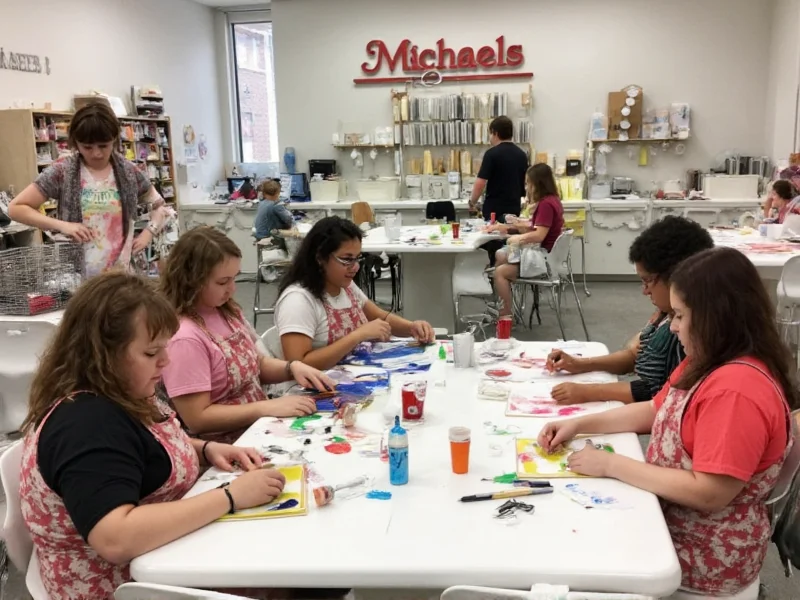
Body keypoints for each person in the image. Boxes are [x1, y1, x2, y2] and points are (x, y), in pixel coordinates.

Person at [539, 247, 796, 599]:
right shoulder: (707, 358)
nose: (672, 327)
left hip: (702, 560)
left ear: (715, 317)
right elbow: (656, 409)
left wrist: (612, 464)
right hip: (670, 525)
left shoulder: (737, 391)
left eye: (679, 315)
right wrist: (580, 424)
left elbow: (710, 491)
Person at [19, 272, 287, 600]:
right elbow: (115, 537)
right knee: (293, 577)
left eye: (165, 348)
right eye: (150, 353)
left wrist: (206, 449)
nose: (166, 361)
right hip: (125, 588)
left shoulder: (121, 391)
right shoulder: (85, 423)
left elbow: (146, 441)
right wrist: (229, 497)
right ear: (102, 354)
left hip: (162, 566)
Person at [160, 226, 334, 444]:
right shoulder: (184, 338)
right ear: (191, 280)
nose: (232, 289)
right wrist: (265, 408)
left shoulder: (225, 311)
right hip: (226, 446)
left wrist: (291, 368)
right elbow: (197, 418)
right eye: (223, 282)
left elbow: (253, 364)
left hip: (257, 428)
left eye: (235, 278)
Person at [547, 215, 713, 405]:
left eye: (648, 280)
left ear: (678, 276)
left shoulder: (686, 333)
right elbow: (635, 355)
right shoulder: (665, 315)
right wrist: (579, 364)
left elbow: (654, 392)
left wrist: (588, 391)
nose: (644, 290)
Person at [8, 102, 171, 278]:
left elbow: (161, 207)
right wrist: (63, 226)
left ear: (114, 139)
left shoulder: (128, 172)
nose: (96, 154)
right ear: (76, 143)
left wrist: (149, 232)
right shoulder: (63, 171)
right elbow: (16, 208)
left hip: (122, 277)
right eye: (87, 147)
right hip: (77, 279)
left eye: (103, 145)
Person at [274, 216, 435, 370]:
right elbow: (296, 365)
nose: (355, 267)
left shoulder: (345, 286)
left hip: (354, 375)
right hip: (315, 389)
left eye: (357, 258)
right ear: (319, 258)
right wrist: (358, 336)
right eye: (346, 259)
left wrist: (411, 327)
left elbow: (381, 317)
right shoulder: (298, 300)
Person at [487, 163, 564, 317]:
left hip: (543, 259)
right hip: (547, 255)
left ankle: (505, 315)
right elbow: (535, 227)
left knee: (500, 272)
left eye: (528, 183)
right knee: (501, 256)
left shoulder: (546, 205)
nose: (526, 187)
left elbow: (538, 235)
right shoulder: (552, 200)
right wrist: (509, 229)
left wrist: (516, 237)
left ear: (537, 183)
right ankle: (502, 300)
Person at [468, 115, 529, 265]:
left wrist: (472, 202)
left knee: (492, 245)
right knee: (510, 245)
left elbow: (480, 182)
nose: (490, 138)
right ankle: (508, 275)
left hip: (494, 209)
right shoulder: (521, 155)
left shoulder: (492, 154)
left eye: (490, 133)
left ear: (495, 133)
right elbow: (525, 183)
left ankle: (495, 278)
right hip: (514, 207)